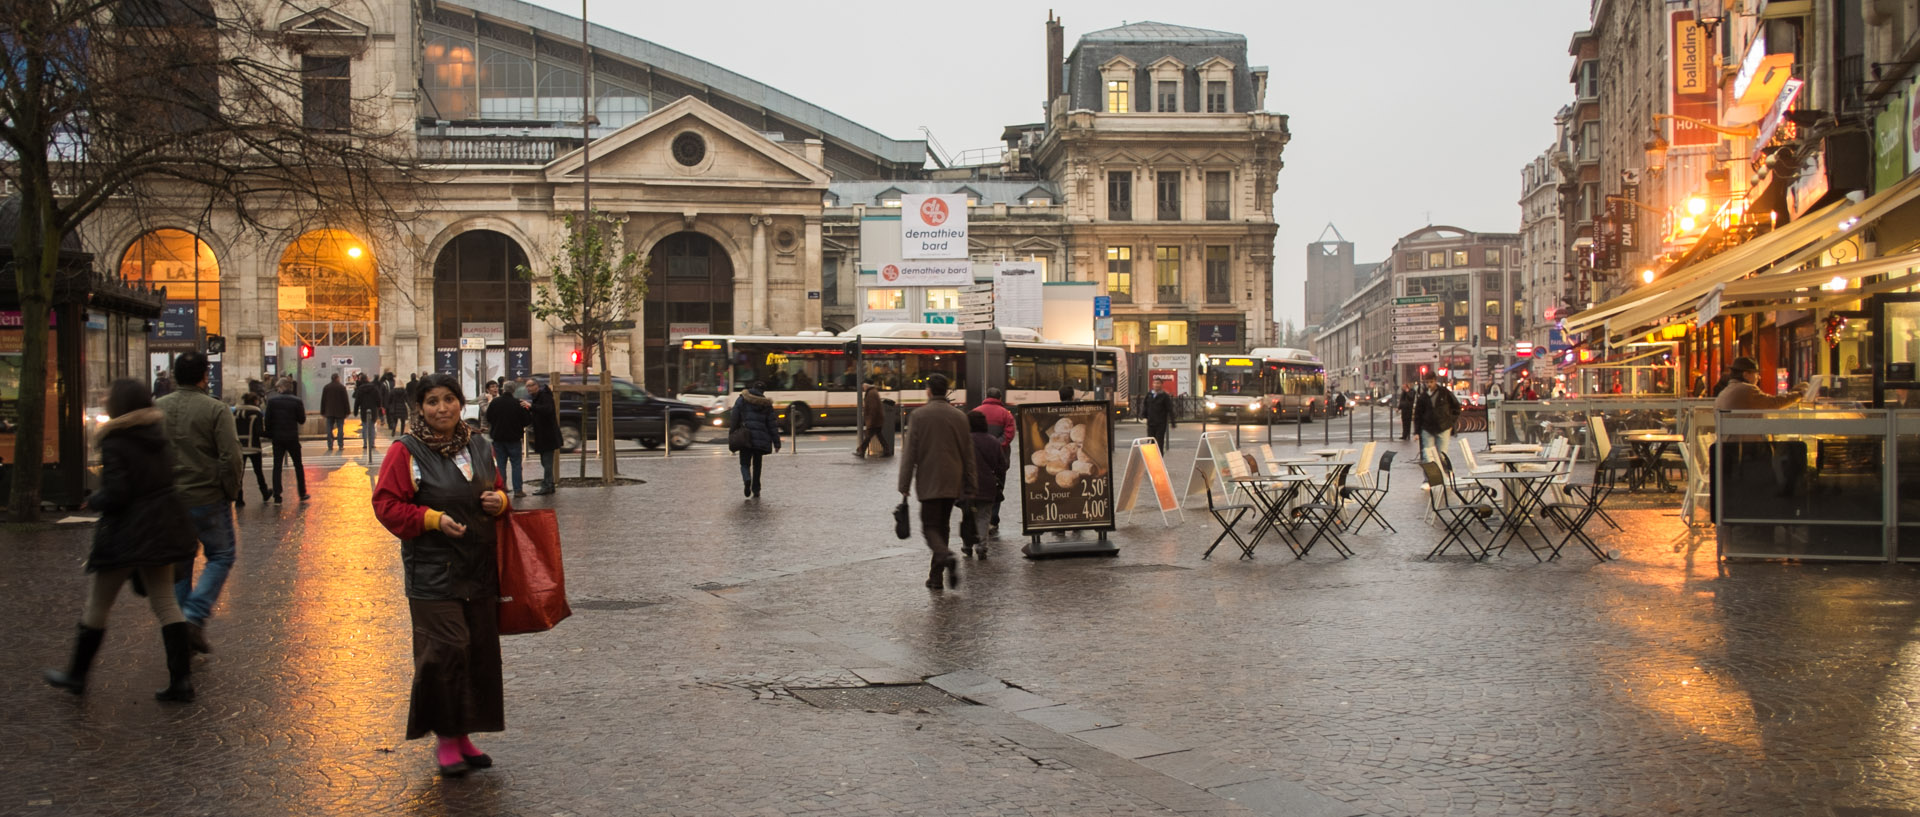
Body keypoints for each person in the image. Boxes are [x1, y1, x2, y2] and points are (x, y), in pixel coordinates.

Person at [370, 373, 510, 778]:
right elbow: (386, 505)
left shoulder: (478, 444)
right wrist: (430, 519)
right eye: (432, 401)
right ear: (420, 407)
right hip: (432, 573)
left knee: (478, 653)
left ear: (460, 402)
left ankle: (463, 734)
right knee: (446, 650)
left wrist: (499, 501)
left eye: (449, 399)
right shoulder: (406, 450)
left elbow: (500, 490)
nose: (442, 408)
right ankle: (446, 739)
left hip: (478, 568)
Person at [44, 379, 201, 701]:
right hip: (162, 527)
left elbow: (118, 493)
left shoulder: (116, 440)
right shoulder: (157, 436)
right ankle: (181, 682)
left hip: (127, 534)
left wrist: (96, 500)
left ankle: (77, 675)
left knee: (99, 603)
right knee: (166, 602)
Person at [154, 351, 242, 655]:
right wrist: (230, 492)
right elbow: (231, 456)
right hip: (207, 496)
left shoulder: (157, 409)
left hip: (169, 501)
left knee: (179, 565)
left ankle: (180, 628)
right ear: (205, 376)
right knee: (221, 555)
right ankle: (194, 615)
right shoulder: (216, 410)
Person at [897, 373, 976, 591]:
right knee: (943, 527)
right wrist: (971, 484)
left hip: (929, 481)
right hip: (953, 482)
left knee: (929, 527)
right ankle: (936, 577)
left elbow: (909, 454)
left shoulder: (919, 415)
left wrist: (904, 486)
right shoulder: (960, 416)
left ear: (929, 390)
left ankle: (945, 556)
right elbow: (968, 454)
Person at [958, 410, 1009, 558]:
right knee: (984, 517)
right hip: (987, 485)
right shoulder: (993, 441)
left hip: (967, 485)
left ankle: (967, 545)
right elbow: (1002, 465)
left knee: (967, 515)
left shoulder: (964, 440)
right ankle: (982, 546)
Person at [728, 381, 782, 498]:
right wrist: (776, 443)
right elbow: (772, 425)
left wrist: (732, 432)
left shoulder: (742, 399)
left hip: (745, 437)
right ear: (763, 391)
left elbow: (734, 417)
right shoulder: (766, 404)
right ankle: (756, 489)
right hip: (761, 439)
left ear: (752, 388)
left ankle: (747, 479)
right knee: (757, 465)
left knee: (744, 463)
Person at [265, 376, 310, 502]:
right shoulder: (296, 401)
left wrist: (271, 432)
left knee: (277, 466)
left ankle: (277, 494)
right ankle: (302, 492)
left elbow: (267, 421)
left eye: (278, 388)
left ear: (281, 387)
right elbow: (302, 420)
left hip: (278, 437)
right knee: (298, 465)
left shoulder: (272, 402)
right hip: (292, 437)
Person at [484, 381, 531, 497]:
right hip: (514, 438)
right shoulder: (518, 403)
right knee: (516, 465)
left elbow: (488, 417)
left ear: (503, 389)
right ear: (513, 390)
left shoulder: (495, 402)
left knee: (500, 465)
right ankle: (518, 490)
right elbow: (527, 421)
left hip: (498, 438)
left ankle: (502, 489)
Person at [1714, 357, 1805, 411]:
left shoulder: (1729, 388)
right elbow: (1773, 403)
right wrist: (1800, 394)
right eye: (1756, 374)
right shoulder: (1746, 390)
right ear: (1745, 375)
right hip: (1743, 442)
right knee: (1799, 444)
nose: (1759, 377)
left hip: (1731, 441)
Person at [1413, 371, 1460, 464]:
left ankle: (1443, 475)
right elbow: (1418, 414)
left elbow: (1456, 407)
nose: (1429, 384)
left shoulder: (1444, 393)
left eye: (1431, 382)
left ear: (1435, 381)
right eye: (1427, 382)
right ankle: (1430, 477)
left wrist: (1450, 421)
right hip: (1427, 428)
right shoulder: (1423, 397)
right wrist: (1417, 432)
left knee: (1442, 455)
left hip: (1443, 427)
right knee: (1428, 456)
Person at [233, 392, 272, 506]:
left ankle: (239, 498)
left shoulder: (235, 412)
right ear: (255, 401)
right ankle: (264, 492)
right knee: (258, 472)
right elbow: (259, 431)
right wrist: (271, 434)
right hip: (253, 446)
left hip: (239, 447)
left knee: (240, 474)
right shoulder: (256, 412)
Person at [525, 378, 561, 495]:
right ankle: (548, 484)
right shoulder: (538, 398)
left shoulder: (545, 397)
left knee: (547, 462)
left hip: (548, 435)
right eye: (527, 386)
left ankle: (547, 485)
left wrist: (531, 407)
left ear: (537, 385)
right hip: (543, 435)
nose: (528, 388)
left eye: (530, 385)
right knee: (545, 462)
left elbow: (547, 410)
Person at [353, 373, 384, 459]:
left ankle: (365, 443)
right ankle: (372, 443)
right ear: (367, 379)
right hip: (373, 410)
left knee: (365, 426)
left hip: (364, 410)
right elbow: (378, 398)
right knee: (372, 427)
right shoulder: (374, 388)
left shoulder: (360, 389)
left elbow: (357, 401)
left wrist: (355, 411)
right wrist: (379, 406)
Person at [853, 382, 888, 458]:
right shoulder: (872, 392)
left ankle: (861, 451)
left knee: (869, 436)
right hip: (877, 419)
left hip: (874, 419)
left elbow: (873, 408)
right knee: (878, 436)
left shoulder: (871, 393)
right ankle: (886, 450)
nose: (863, 388)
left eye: (863, 387)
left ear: (867, 386)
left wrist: (870, 420)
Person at [321, 372, 350, 452]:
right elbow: (345, 400)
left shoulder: (326, 387)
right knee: (340, 428)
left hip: (329, 411)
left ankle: (330, 445)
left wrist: (322, 411)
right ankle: (340, 445)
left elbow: (323, 400)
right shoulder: (342, 387)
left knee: (329, 428)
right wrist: (347, 411)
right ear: (337, 378)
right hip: (340, 412)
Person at [1145, 385, 1176, 451]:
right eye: (1155, 383)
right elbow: (1145, 405)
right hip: (1151, 423)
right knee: (1150, 442)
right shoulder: (1149, 394)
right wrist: (1143, 414)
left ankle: (1159, 458)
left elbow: (1170, 409)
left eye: (1158, 383)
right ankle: (1152, 458)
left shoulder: (1164, 396)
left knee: (1159, 443)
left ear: (1161, 385)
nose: (1156, 385)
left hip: (1160, 423)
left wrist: (1173, 422)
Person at [384, 371, 409, 436]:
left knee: (395, 421)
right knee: (402, 421)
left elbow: (389, 399)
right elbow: (407, 400)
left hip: (395, 407)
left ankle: (393, 432)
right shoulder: (404, 391)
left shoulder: (393, 391)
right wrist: (411, 407)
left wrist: (388, 405)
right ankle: (401, 433)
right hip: (402, 407)